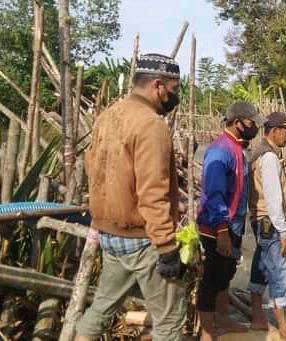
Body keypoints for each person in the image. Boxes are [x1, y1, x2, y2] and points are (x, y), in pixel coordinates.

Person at [76, 53, 186, 341]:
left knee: (101, 309)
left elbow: (95, 172)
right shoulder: (151, 124)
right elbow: (153, 192)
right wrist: (166, 246)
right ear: (158, 86)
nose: (174, 97)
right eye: (173, 90)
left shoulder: (107, 116)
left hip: (110, 233)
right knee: (170, 321)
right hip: (143, 238)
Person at [196, 101, 265, 341]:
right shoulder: (221, 150)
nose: (255, 127)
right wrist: (222, 230)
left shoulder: (236, 147)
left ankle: (223, 320)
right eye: (252, 123)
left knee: (225, 275)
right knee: (212, 279)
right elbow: (215, 194)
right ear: (237, 123)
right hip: (216, 227)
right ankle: (207, 331)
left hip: (231, 225)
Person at [247, 112, 286, 340]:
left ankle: (257, 317)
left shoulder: (259, 153)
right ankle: (284, 327)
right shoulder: (269, 158)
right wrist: (284, 232)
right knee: (280, 271)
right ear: (275, 130)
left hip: (258, 219)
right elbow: (272, 199)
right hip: (269, 221)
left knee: (261, 264)